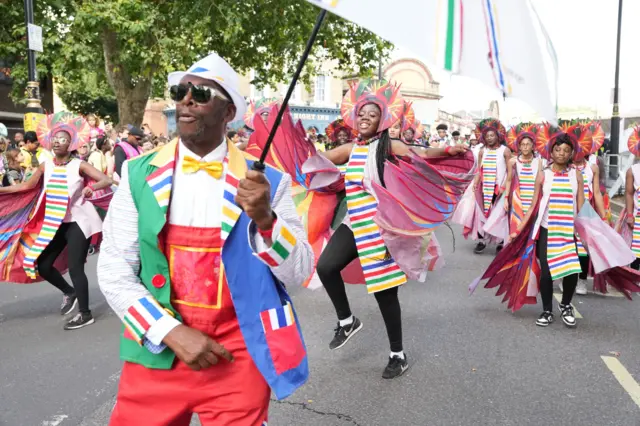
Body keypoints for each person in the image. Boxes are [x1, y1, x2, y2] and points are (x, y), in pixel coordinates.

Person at [98, 52, 312, 425]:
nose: (186, 99)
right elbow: (115, 271)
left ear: (229, 113)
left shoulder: (270, 184)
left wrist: (267, 221)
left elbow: (299, 272)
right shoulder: (136, 174)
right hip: (158, 350)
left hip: (237, 357)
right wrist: (170, 332)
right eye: (181, 90)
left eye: (201, 93)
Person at [314, 79, 468, 379]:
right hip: (353, 222)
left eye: (372, 115)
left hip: (380, 227)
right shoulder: (350, 148)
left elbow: (421, 154)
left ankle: (397, 355)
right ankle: (347, 321)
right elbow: (319, 160)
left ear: (381, 121)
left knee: (385, 294)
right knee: (326, 266)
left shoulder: (387, 145)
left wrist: (450, 150)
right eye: (361, 114)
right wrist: (291, 153)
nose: (365, 118)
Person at [0, 112, 112, 329]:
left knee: (75, 267)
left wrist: (92, 187)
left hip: (80, 222)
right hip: (56, 223)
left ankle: (85, 313)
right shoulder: (45, 165)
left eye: (64, 140)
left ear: (71, 144)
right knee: (42, 264)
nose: (58, 143)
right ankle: (69, 292)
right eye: (56, 139)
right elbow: (25, 186)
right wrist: (1, 190)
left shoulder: (78, 165)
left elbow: (106, 179)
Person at [472, 119, 512, 254]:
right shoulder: (482, 151)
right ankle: (481, 240)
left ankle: (500, 242)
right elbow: (479, 169)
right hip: (484, 188)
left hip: (499, 187)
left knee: (499, 215)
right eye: (487, 136)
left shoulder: (505, 151)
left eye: (492, 135)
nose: (489, 138)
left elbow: (510, 171)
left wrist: (505, 187)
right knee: (481, 213)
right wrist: (476, 183)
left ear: (497, 136)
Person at [503, 124, 544, 236]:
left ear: (532, 146)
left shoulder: (539, 162)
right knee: (518, 229)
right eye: (523, 144)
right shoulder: (513, 161)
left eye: (528, 144)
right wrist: (506, 198)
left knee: (532, 230)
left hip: (534, 201)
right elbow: (509, 180)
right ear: (519, 147)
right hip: (518, 201)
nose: (525, 147)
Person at [625, 125, 640, 270]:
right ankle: (634, 276)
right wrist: (630, 215)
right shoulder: (633, 171)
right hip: (638, 217)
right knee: (637, 250)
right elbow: (629, 193)